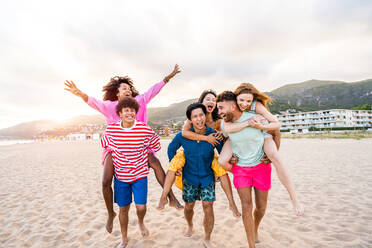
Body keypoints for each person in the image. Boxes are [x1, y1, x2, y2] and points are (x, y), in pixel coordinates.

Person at [64, 65, 183, 234]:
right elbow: (93, 102)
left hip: (139, 146)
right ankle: (111, 213)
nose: (128, 90)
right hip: (116, 148)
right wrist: (80, 93)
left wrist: (169, 76)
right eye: (124, 88)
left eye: (129, 88)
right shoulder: (110, 106)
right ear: (117, 93)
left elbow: (153, 90)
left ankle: (170, 197)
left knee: (156, 163)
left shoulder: (139, 102)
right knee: (105, 181)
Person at [218, 83, 303, 216]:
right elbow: (227, 127)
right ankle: (242, 175)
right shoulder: (231, 105)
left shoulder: (256, 106)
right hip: (237, 135)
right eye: (241, 100)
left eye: (248, 101)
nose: (244, 103)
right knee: (222, 161)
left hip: (262, 134)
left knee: (274, 156)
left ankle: (294, 199)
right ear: (236, 98)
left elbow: (277, 124)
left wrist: (260, 127)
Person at [157, 90, 241, 218]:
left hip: (208, 153)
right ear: (201, 102)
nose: (211, 101)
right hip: (188, 152)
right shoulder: (191, 119)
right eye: (208, 99)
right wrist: (206, 138)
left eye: (214, 100)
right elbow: (183, 134)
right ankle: (164, 197)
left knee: (221, 169)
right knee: (174, 164)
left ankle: (232, 203)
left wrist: (225, 158)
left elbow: (222, 142)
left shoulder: (217, 121)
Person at [101, 97, 160, 248]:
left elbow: (155, 145)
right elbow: (105, 146)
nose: (130, 113)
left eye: (132, 110)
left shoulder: (144, 129)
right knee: (123, 209)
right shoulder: (111, 130)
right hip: (121, 178)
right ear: (120, 113)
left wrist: (146, 156)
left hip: (140, 175)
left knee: (141, 207)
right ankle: (124, 238)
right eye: (126, 110)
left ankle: (140, 222)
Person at [216, 91, 271, 248]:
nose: (219, 112)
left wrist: (272, 155)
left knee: (261, 208)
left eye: (221, 108)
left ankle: (255, 228)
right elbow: (227, 139)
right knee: (246, 206)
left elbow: (274, 133)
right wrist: (229, 157)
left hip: (261, 166)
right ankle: (251, 245)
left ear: (233, 106)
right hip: (241, 169)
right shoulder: (224, 124)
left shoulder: (256, 117)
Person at [167, 103, 223, 248]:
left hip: (207, 177)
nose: (199, 119)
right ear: (190, 120)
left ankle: (207, 238)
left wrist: (219, 171)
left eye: (201, 115)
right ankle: (190, 225)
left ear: (205, 116)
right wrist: (176, 167)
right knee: (189, 206)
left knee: (208, 206)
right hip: (189, 177)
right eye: (195, 116)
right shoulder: (183, 135)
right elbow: (171, 148)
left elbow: (223, 154)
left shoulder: (213, 134)